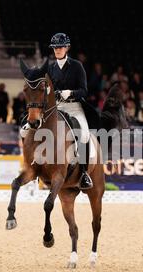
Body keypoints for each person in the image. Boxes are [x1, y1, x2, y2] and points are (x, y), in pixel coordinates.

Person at [46, 32, 100, 189]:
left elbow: (84, 91)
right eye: (55, 47)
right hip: (57, 107)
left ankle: (84, 173)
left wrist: (70, 93)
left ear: (67, 48)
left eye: (60, 47)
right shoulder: (50, 68)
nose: (57, 50)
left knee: (83, 133)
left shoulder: (77, 66)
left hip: (74, 107)